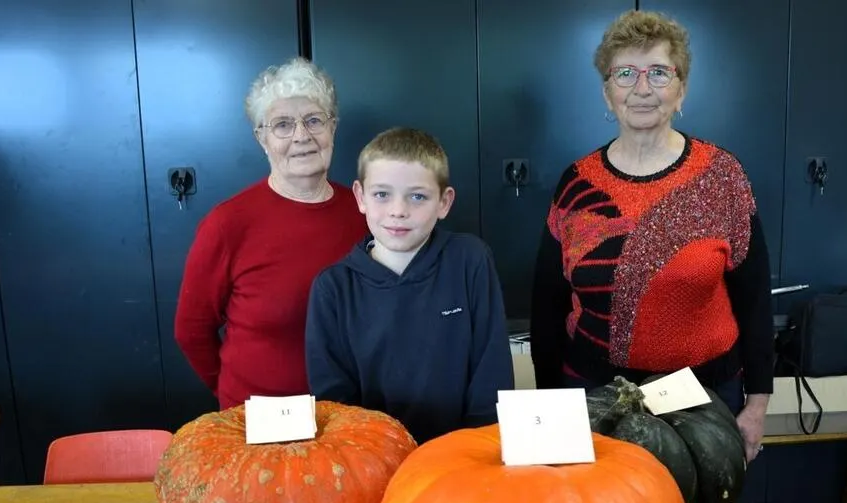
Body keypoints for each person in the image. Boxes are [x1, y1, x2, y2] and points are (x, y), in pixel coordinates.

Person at [529, 10, 774, 462]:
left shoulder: (722, 177)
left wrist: (757, 403)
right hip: (596, 396)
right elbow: (548, 304)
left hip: (703, 400)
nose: (642, 88)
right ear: (607, 92)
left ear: (681, 90)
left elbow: (755, 299)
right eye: (625, 73)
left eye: (659, 72)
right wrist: (550, 404)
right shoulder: (576, 184)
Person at [174, 57, 367, 410]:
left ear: (333, 127)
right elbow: (191, 330)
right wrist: (234, 394)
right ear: (262, 138)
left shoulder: (366, 211)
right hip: (261, 420)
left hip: (351, 415)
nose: (301, 136)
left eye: (313, 120)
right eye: (282, 124)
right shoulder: (228, 223)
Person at [305, 127, 514, 444]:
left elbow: (491, 373)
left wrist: (478, 448)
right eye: (382, 194)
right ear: (360, 197)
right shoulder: (333, 288)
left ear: (444, 202)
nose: (398, 210)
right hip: (370, 460)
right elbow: (334, 402)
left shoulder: (470, 260)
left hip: (462, 457)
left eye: (417, 196)